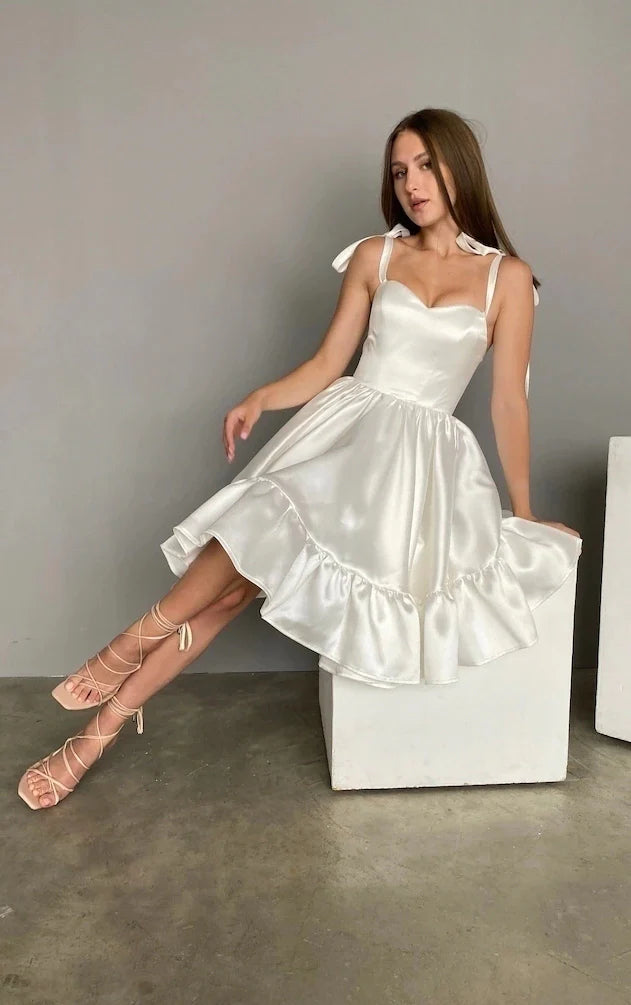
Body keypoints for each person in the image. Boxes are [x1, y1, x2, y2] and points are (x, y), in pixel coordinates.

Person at [18, 107, 582, 810]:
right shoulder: (376, 256)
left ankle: (113, 679)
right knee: (233, 569)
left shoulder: (508, 279)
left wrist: (524, 511)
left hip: (410, 474)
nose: (411, 184)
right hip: (342, 435)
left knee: (236, 585)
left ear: (458, 165)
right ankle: (102, 715)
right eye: (398, 172)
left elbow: (507, 403)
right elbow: (325, 365)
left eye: (425, 166)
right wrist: (262, 397)